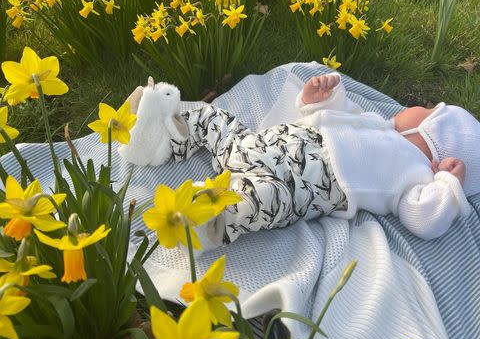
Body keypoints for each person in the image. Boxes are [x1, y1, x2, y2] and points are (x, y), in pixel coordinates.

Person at [131, 72, 480, 252]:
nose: (418, 105)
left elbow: (424, 219)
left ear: (433, 134)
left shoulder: (416, 176)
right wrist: (318, 98)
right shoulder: (378, 122)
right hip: (262, 145)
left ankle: (206, 216)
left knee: (260, 200)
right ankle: (158, 137)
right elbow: (338, 115)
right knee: (213, 117)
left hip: (297, 186)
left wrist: (448, 186)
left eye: (431, 109)